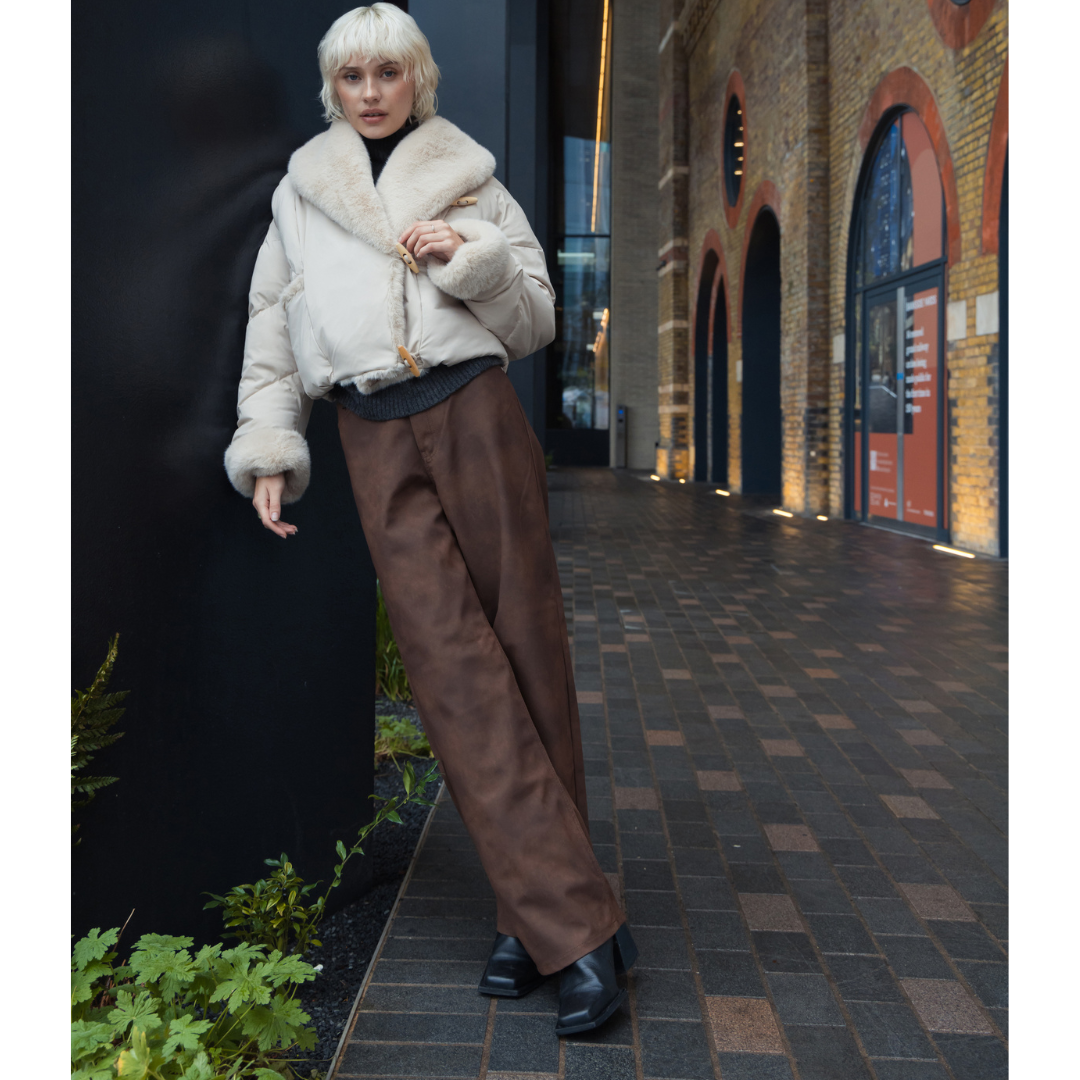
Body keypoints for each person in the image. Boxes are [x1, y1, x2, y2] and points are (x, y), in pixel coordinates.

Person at [222, 3, 637, 1036]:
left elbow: (536, 317)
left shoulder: (469, 177)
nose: (371, 93)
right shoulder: (300, 194)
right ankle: (579, 927)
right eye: (352, 76)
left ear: (418, 79)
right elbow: (272, 332)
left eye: (388, 74)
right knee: (453, 676)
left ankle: (530, 917)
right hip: (371, 436)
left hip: (475, 417)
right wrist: (271, 448)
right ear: (332, 86)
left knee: (528, 655)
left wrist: (470, 255)